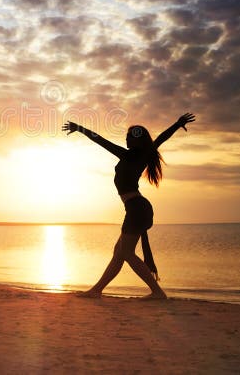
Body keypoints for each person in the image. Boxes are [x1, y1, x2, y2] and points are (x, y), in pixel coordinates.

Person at [62, 113, 195, 300]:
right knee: (119, 253)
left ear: (137, 139)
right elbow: (158, 140)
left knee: (126, 253)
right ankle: (97, 290)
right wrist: (177, 124)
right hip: (136, 208)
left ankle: (157, 292)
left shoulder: (132, 155)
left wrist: (81, 129)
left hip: (137, 209)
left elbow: (104, 141)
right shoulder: (135, 155)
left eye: (129, 136)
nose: (126, 138)